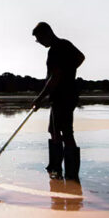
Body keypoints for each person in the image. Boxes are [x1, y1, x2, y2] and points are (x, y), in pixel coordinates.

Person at [31, 22, 85, 180]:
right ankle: (57, 168)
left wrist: (40, 98)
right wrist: (70, 69)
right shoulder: (65, 44)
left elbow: (54, 78)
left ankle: (67, 172)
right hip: (67, 94)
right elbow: (80, 58)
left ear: (47, 33)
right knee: (55, 130)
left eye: (39, 39)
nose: (39, 43)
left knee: (65, 132)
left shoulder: (56, 49)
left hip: (63, 95)